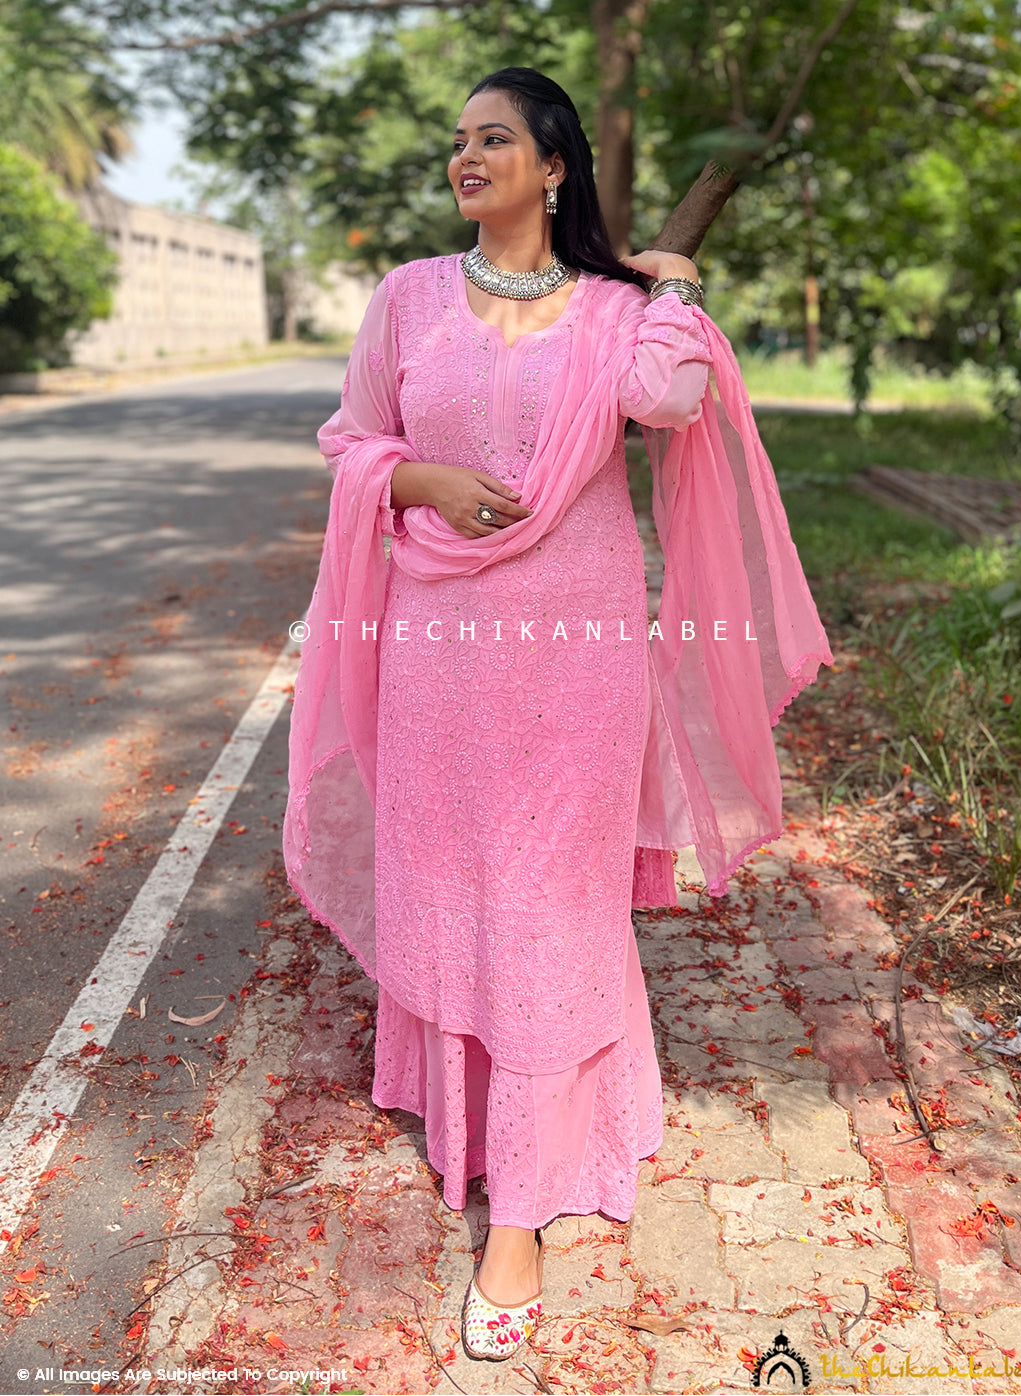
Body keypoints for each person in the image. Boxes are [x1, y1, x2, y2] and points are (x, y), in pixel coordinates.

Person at [283, 66, 833, 1362]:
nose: (467, 157)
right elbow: (349, 439)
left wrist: (673, 288)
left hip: (571, 655)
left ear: (553, 168)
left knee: (545, 897)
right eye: (458, 140)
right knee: (448, 870)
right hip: (433, 645)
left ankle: (522, 1210)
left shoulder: (611, 312)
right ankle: (462, 1107)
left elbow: (672, 406)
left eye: (494, 139)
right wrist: (415, 474)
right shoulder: (408, 294)